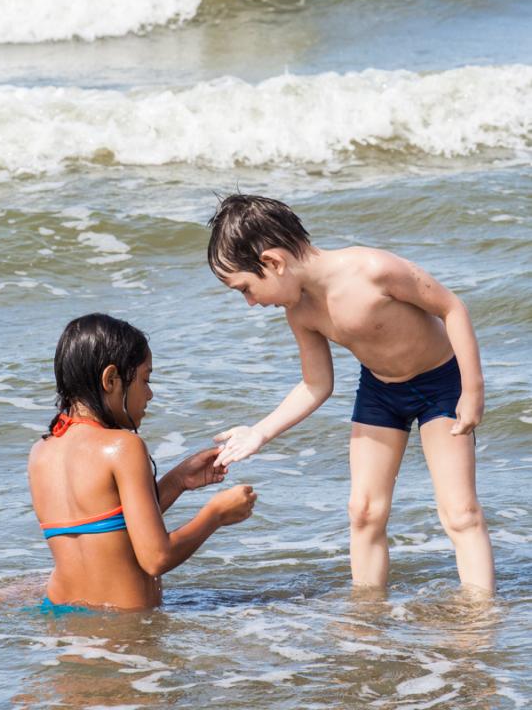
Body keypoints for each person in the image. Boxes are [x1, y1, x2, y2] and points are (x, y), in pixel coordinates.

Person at [207, 194, 495, 594]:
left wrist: (473, 390)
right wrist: (260, 432)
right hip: (380, 393)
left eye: (246, 289)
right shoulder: (301, 312)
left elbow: (452, 308)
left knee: (460, 512)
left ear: (273, 263)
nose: (252, 303)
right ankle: (367, 617)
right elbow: (316, 384)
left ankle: (479, 616)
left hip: (441, 386)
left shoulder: (373, 270)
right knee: (363, 511)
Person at [28, 313, 256, 611]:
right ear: (111, 379)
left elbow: (110, 529)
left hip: (64, 621)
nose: (149, 394)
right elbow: (156, 557)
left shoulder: (41, 452)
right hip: (123, 632)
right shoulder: (124, 447)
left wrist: (177, 481)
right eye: (145, 380)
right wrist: (216, 514)